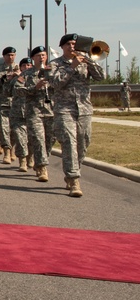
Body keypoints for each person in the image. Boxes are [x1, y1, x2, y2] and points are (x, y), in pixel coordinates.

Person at [49, 33, 104, 197]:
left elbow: (101, 77)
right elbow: (56, 83)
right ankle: (74, 179)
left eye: (74, 44)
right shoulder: (55, 64)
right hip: (64, 109)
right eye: (69, 44)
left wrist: (90, 61)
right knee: (69, 143)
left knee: (83, 142)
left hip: (84, 109)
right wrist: (72, 66)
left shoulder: (85, 61)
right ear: (62, 47)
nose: (72, 47)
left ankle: (73, 170)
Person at [17, 46, 53, 182]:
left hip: (51, 111)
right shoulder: (25, 74)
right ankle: (42, 167)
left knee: (49, 140)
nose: (41, 57)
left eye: (43, 55)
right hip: (34, 112)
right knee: (38, 139)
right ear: (33, 58)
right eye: (38, 55)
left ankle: (39, 159)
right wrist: (34, 88)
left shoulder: (52, 72)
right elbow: (18, 90)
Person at [6, 57, 34, 172]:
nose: (27, 67)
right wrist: (10, 79)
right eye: (24, 66)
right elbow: (7, 92)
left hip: (32, 112)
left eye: (29, 66)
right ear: (21, 67)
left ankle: (30, 157)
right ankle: (22, 160)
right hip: (17, 113)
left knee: (32, 138)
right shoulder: (16, 79)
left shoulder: (35, 77)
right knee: (20, 137)